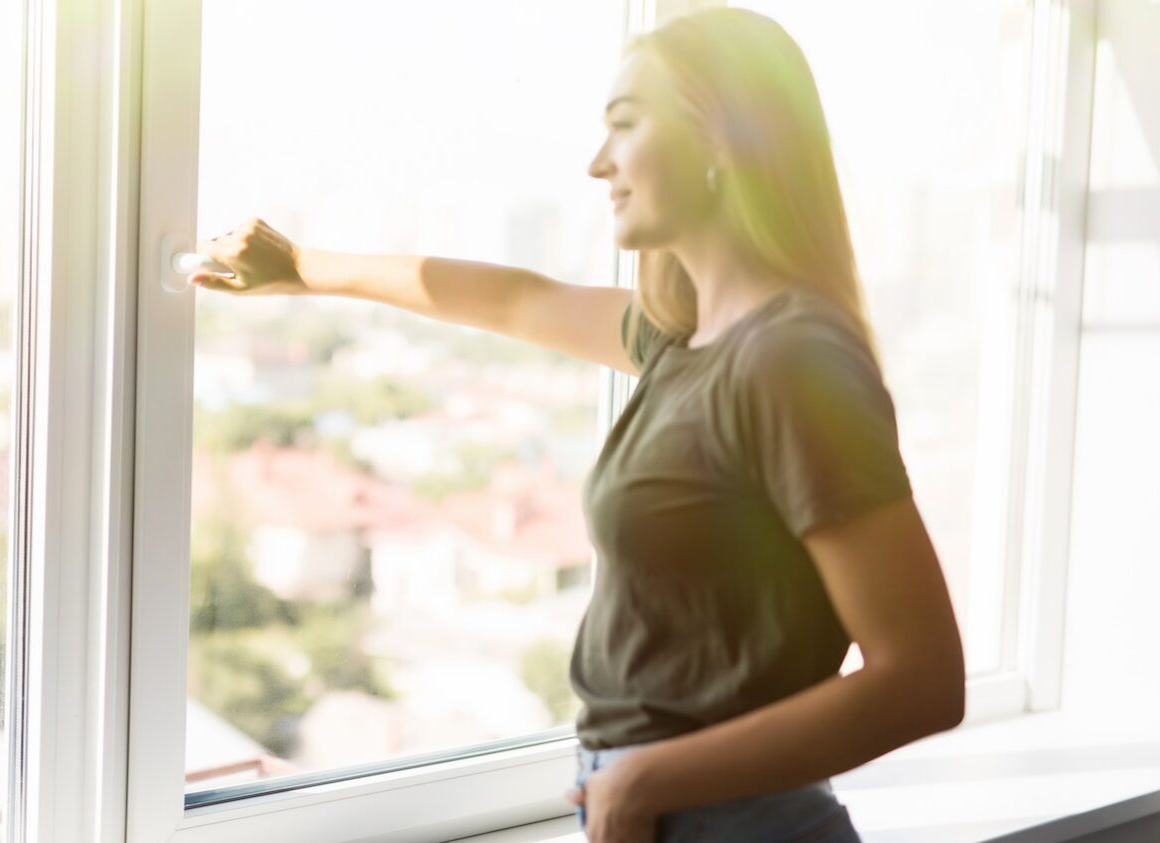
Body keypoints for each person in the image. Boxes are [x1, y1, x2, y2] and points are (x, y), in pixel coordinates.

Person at [185, 8, 965, 842]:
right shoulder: (685, 341)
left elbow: (922, 679)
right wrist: (304, 269)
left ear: (720, 139)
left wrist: (644, 778)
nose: (599, 165)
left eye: (625, 128)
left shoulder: (791, 365)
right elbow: (518, 299)